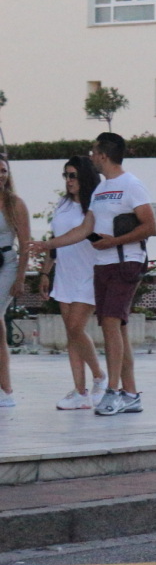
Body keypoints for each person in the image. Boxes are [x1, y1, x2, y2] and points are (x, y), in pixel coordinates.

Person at [32, 133, 156, 416]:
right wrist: (48, 245)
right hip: (103, 265)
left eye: (94, 152)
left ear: (102, 155)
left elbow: (150, 225)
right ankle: (130, 393)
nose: (92, 156)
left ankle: (111, 390)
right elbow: (84, 230)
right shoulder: (101, 191)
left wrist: (113, 242)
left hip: (126, 262)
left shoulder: (131, 185)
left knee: (110, 323)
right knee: (118, 328)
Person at [38, 156, 107, 410]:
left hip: (89, 273)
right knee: (71, 334)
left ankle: (99, 375)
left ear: (85, 177)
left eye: (73, 176)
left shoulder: (96, 205)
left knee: (77, 328)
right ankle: (80, 392)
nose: (68, 181)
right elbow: (54, 241)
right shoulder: (62, 204)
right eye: (66, 176)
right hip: (65, 275)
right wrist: (46, 273)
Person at [0, 156, 32, 409]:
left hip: (6, 263)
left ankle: (6, 388)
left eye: (3, 170)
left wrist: (21, 277)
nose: (1, 174)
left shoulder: (15, 204)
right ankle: (5, 387)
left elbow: (25, 245)